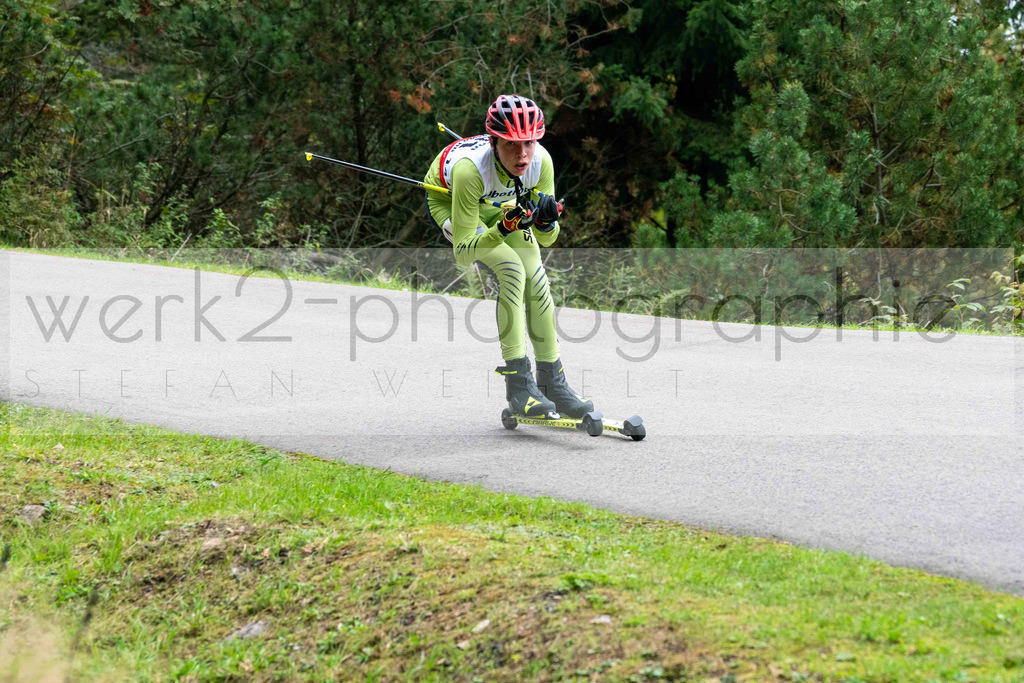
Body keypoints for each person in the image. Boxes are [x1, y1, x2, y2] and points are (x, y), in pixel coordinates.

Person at [423, 94, 593, 419]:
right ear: (494, 142)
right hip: (452, 202)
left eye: (529, 142)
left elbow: (547, 238)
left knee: (536, 277)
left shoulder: (540, 162)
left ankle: (553, 383)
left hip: (497, 204)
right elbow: (464, 252)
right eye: (511, 144)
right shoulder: (470, 171)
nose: (522, 154)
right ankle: (518, 386)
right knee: (512, 270)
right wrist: (503, 228)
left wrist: (546, 221)